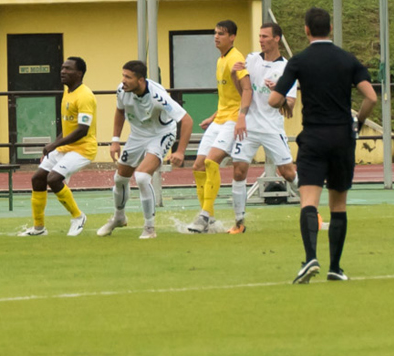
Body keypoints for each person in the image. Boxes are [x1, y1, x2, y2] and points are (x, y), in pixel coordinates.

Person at [269, 8, 377, 284]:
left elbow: (273, 100)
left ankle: (310, 259)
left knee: (308, 201)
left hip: (314, 137)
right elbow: (371, 97)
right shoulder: (347, 59)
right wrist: (358, 121)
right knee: (338, 204)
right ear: (330, 28)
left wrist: (281, 99)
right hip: (342, 137)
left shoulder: (299, 61)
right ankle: (335, 267)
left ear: (306, 29)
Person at [98, 60, 193, 240]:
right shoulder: (122, 90)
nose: (123, 80)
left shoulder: (158, 96)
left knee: (141, 177)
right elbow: (120, 111)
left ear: (141, 80)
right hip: (137, 135)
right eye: (123, 75)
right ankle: (119, 217)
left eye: (128, 77)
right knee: (119, 179)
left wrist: (180, 151)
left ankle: (149, 228)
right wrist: (115, 140)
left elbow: (187, 120)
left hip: (161, 134)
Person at [227, 23, 300, 235]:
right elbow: (243, 90)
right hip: (249, 125)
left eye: (265, 36)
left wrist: (277, 92)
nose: (261, 40)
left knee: (287, 172)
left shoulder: (286, 68)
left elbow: (290, 106)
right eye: (259, 36)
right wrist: (234, 75)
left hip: (271, 127)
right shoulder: (251, 59)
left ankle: (311, 209)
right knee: (238, 170)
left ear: (277, 39)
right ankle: (239, 222)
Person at [20, 58, 97, 237]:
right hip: (66, 148)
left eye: (68, 69)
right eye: (62, 68)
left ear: (79, 74)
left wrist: (54, 144)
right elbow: (68, 127)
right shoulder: (67, 91)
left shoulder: (85, 96)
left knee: (53, 179)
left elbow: (82, 130)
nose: (62, 71)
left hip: (83, 149)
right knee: (38, 178)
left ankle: (78, 217)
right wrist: (54, 148)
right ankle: (39, 228)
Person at [189, 20, 250, 233]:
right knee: (197, 165)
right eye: (215, 33)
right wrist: (213, 116)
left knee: (211, 161)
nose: (216, 37)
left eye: (221, 34)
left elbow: (245, 91)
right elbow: (227, 97)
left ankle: (204, 215)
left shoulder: (236, 58)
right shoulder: (220, 59)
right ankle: (211, 218)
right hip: (220, 119)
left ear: (232, 37)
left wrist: (242, 117)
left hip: (233, 120)